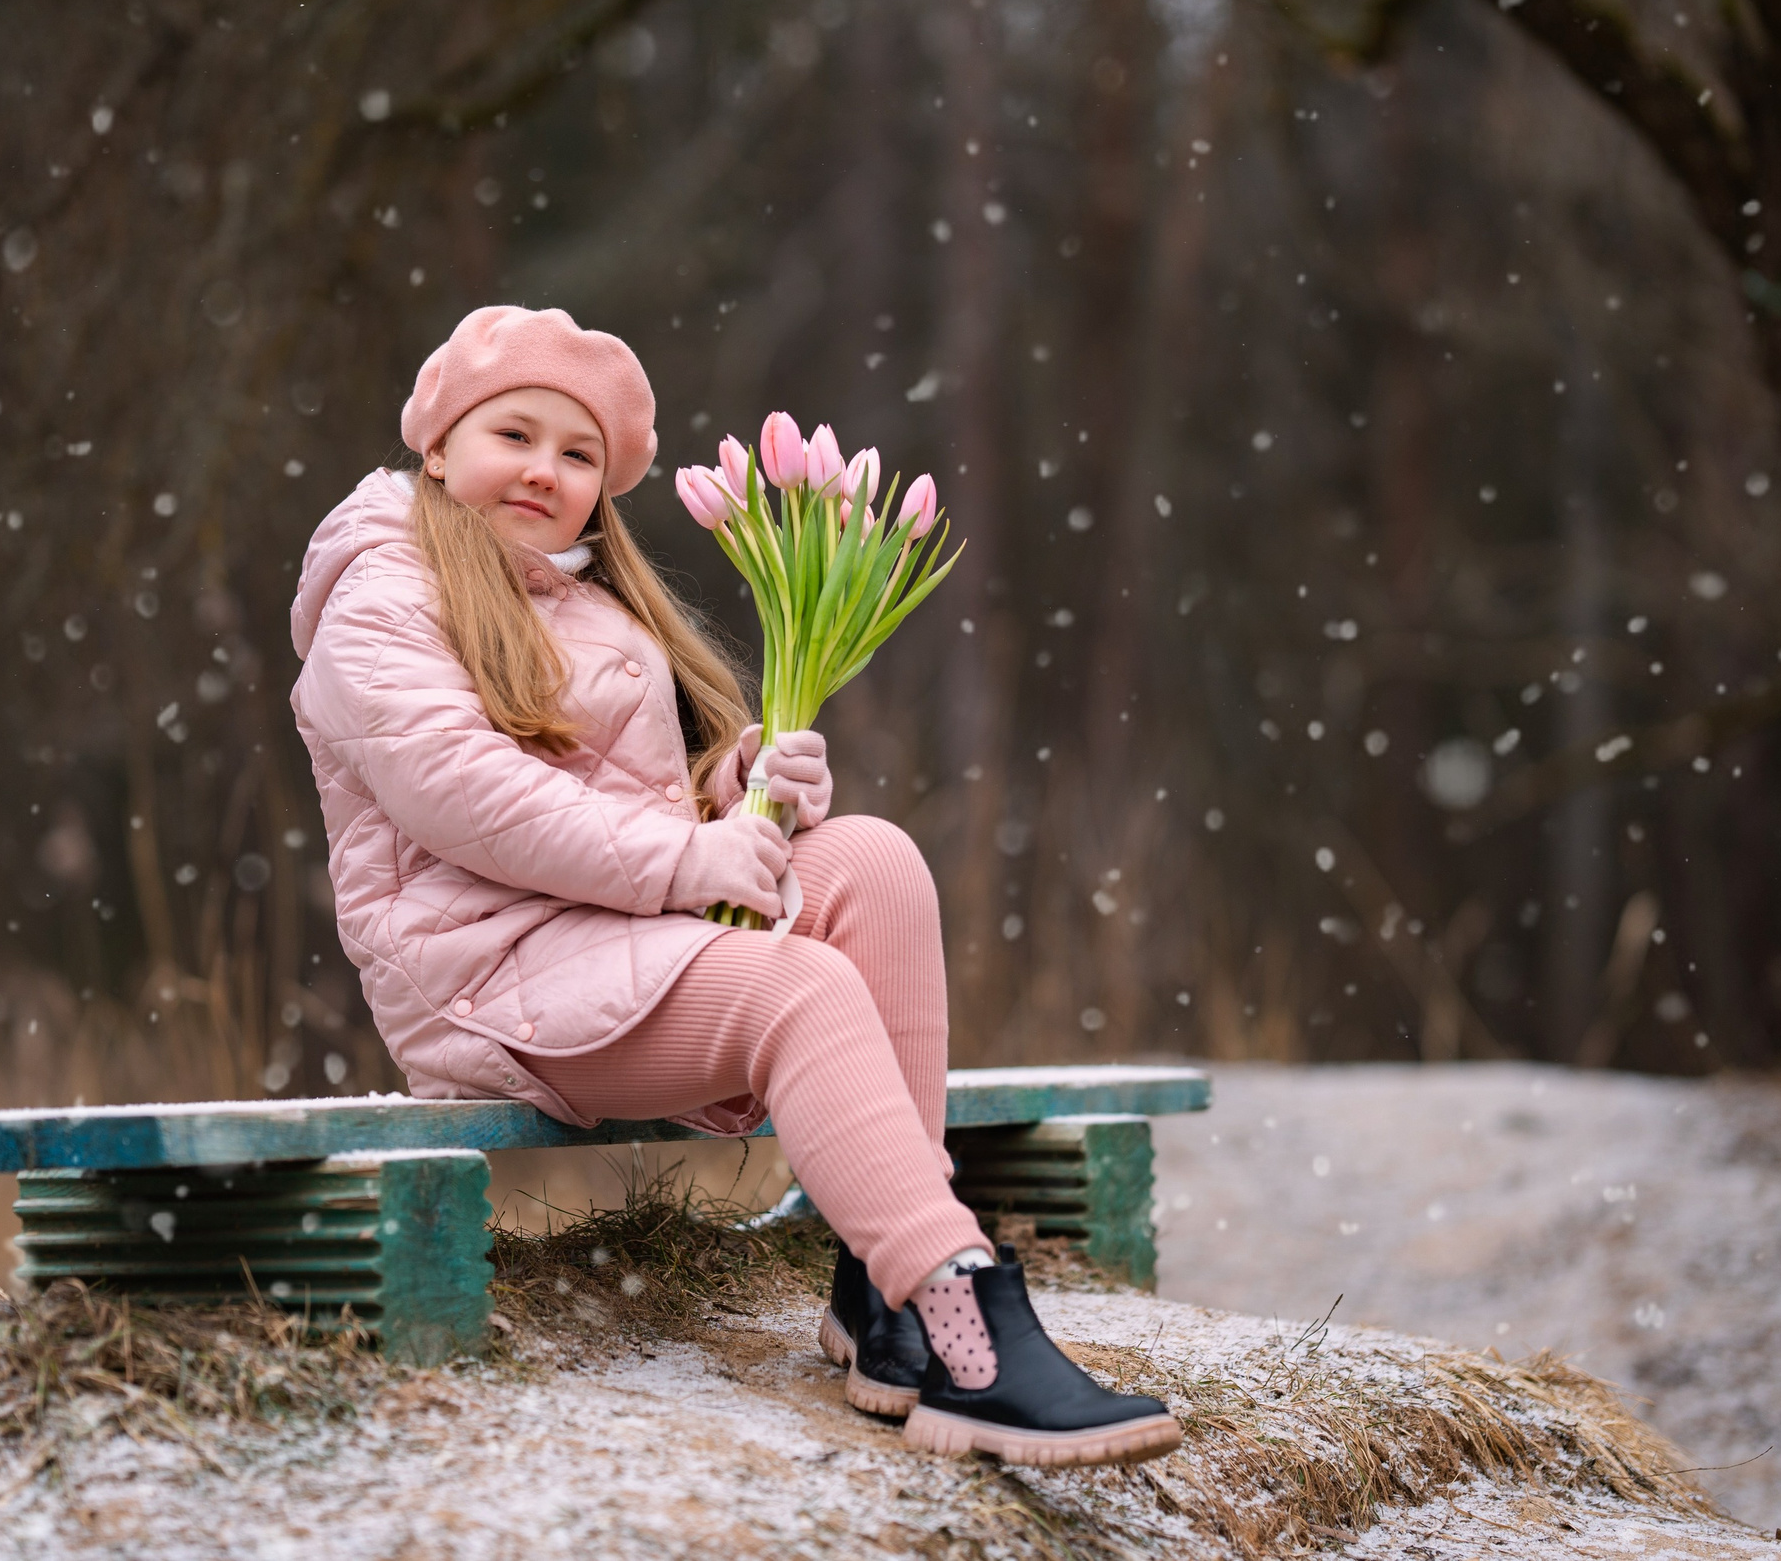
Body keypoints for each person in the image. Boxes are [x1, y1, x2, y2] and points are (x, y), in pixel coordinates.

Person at [289, 304, 1179, 1467]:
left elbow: (613, 786)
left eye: (578, 457)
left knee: (871, 861)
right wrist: (687, 860)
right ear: (441, 447)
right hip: (491, 978)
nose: (544, 472)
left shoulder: (590, 599)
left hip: (606, 935)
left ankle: (883, 1295)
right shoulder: (381, 596)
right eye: (516, 433)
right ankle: (970, 1332)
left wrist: (737, 788)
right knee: (796, 985)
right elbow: (465, 796)